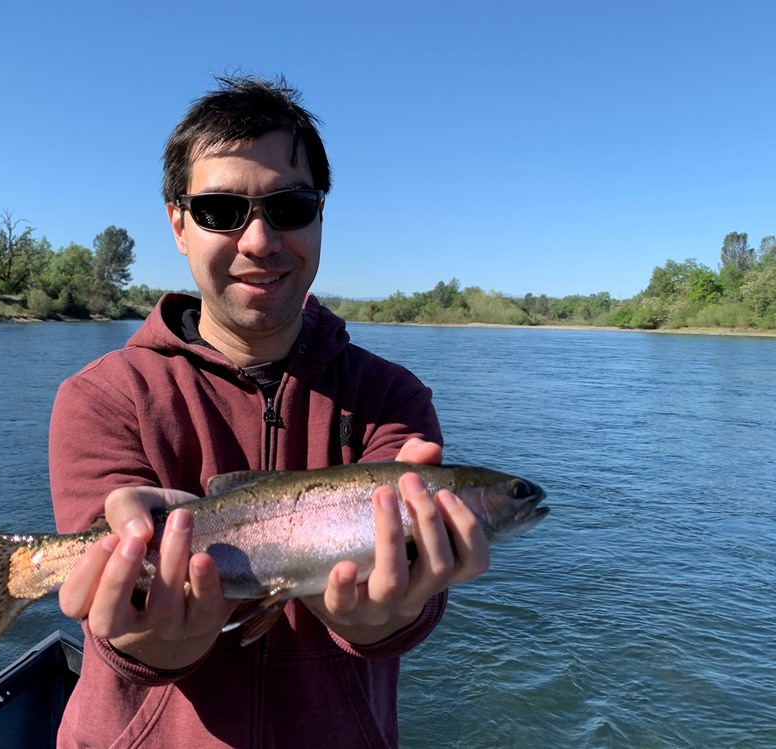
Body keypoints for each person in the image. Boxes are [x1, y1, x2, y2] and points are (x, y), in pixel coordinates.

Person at [48, 74, 490, 749]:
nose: (260, 239)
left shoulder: (393, 399)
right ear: (178, 224)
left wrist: (382, 615)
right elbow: (126, 631)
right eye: (222, 210)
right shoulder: (101, 395)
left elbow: (399, 614)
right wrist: (148, 635)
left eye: (290, 206)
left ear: (320, 217)